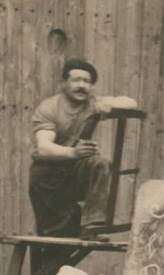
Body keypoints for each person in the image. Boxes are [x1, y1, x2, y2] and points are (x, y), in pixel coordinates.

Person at [29, 58, 138, 240]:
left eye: (87, 82)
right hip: (47, 178)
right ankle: (45, 266)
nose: (81, 86)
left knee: (100, 164)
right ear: (64, 83)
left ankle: (93, 225)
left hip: (73, 172)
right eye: (76, 80)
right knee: (54, 237)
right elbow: (44, 148)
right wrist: (73, 152)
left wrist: (108, 103)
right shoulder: (49, 108)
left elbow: (131, 103)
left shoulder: (93, 104)